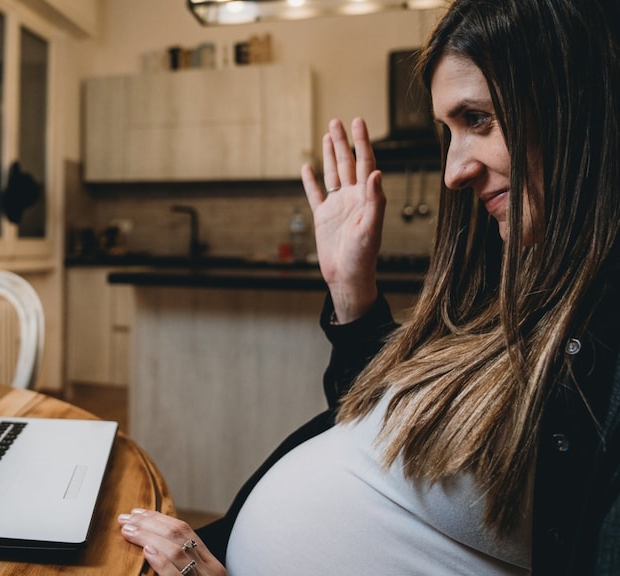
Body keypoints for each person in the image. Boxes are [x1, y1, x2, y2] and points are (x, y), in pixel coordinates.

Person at [118, 0, 620, 573]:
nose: (453, 171)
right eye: (450, 131)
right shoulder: (521, 282)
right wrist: (351, 288)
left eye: (478, 119)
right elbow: (379, 429)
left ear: (574, 104)